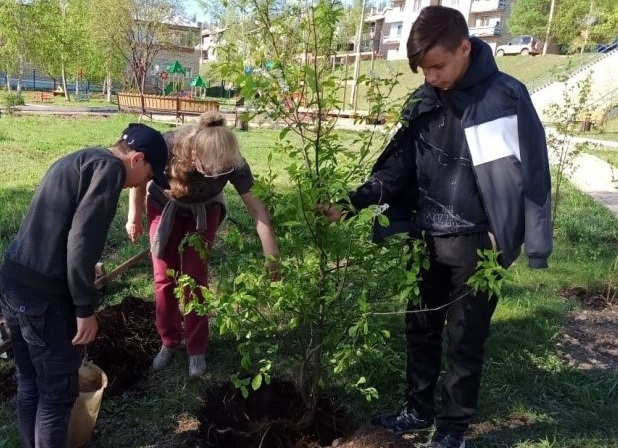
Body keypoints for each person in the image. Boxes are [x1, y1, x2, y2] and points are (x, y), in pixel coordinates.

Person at [318, 6, 552, 448]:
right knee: (421, 327)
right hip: (424, 237)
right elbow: (397, 170)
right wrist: (350, 203)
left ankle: (451, 430)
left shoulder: (506, 98)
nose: (431, 77)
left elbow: (534, 176)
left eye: (438, 66)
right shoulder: (425, 101)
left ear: (465, 48)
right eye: (424, 70)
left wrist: (524, 242)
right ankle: (417, 409)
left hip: (478, 244)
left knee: (465, 339)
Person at [0, 124, 169, 448]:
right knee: (57, 395)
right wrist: (84, 309)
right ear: (137, 158)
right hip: (44, 298)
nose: (145, 183)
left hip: (13, 282)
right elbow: (82, 243)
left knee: (30, 382)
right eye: (149, 175)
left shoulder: (80, 158)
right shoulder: (109, 171)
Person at [126, 111, 280, 377]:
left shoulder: (233, 160)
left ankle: (196, 348)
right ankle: (169, 341)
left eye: (219, 171)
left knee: (195, 279)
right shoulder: (169, 145)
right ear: (194, 153)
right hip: (164, 207)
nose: (213, 173)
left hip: (204, 211)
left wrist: (271, 256)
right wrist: (133, 218)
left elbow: (257, 210)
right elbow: (139, 179)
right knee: (164, 277)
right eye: (208, 168)